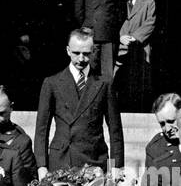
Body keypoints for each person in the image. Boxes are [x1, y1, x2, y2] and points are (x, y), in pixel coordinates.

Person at [33, 29, 124, 176]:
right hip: (61, 162)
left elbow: (115, 130)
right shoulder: (52, 83)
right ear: (68, 50)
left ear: (93, 51)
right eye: (76, 53)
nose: (81, 59)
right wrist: (42, 166)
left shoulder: (104, 84)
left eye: (86, 54)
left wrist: (116, 167)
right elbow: (41, 130)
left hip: (94, 163)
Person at [73, 0, 126, 78]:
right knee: (89, 72)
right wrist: (88, 28)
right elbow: (78, 12)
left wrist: (111, 27)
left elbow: (122, 12)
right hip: (90, 36)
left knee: (107, 75)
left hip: (109, 37)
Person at [115, 0, 156, 110]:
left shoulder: (148, 2)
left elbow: (150, 23)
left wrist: (135, 37)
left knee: (140, 83)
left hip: (140, 48)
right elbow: (112, 23)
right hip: (121, 47)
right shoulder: (117, 1)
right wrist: (120, 37)